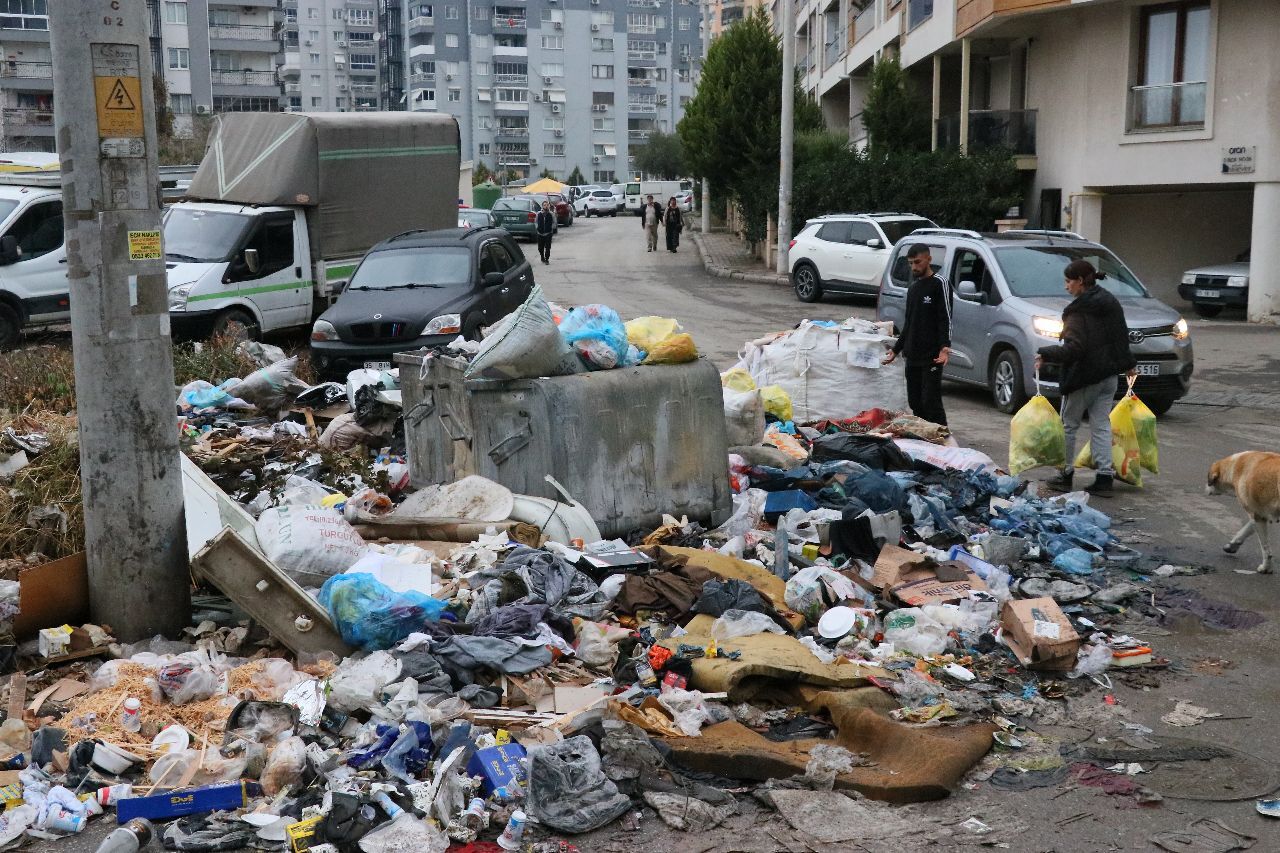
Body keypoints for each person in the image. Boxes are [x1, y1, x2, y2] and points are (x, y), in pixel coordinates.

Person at [1036, 259, 1137, 495]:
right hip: (1108, 375)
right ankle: (1104, 478)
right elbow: (1121, 336)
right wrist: (1128, 364)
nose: (1066, 286)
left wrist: (1045, 353)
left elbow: (1075, 349)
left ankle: (1065, 474)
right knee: (1101, 425)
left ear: (1080, 281)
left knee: (1068, 425)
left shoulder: (1078, 312)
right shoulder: (1110, 302)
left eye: (1068, 281)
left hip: (1084, 377)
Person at [882, 244, 951, 426]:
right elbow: (909, 323)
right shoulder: (913, 288)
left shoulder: (940, 284)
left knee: (931, 402)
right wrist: (896, 350)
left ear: (929, 259)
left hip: (932, 357)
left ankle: (942, 436)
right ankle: (924, 437)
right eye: (911, 263)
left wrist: (945, 347)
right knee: (915, 402)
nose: (914, 267)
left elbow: (945, 318)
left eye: (917, 262)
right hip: (912, 355)